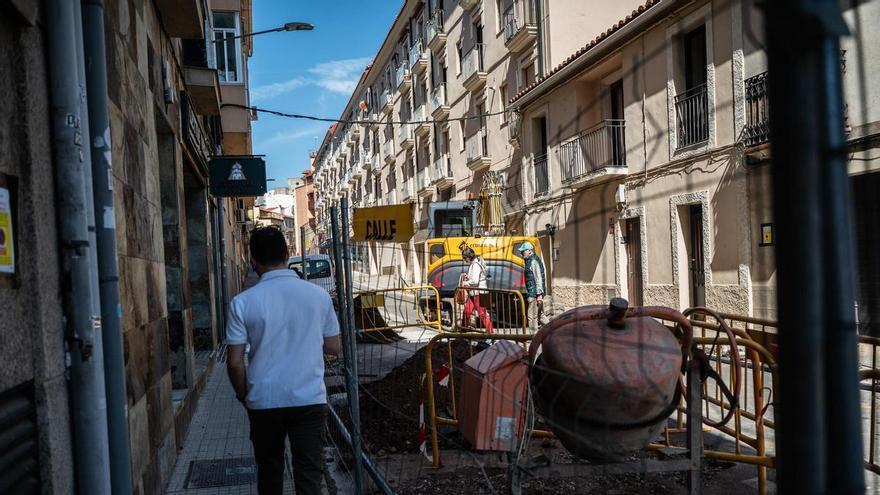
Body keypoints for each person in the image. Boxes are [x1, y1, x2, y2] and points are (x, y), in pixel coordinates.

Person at [226, 226, 342, 495]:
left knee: (269, 473)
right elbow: (334, 346)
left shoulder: (242, 303)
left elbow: (234, 363)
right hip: (309, 400)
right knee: (309, 475)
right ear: (287, 254)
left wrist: (244, 395)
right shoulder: (318, 296)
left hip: (264, 401)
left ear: (252, 260)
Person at [460, 247, 494, 333]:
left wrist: (466, 283)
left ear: (468, 257)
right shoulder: (477, 263)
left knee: (482, 314)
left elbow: (475, 281)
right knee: (467, 312)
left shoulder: (475, 265)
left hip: (478, 293)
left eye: (465, 258)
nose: (464, 260)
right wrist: (468, 277)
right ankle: (462, 332)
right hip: (479, 292)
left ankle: (491, 333)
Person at [518, 241, 550, 331]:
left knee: (532, 316)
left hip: (534, 293)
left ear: (529, 251)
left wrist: (539, 294)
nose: (521, 254)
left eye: (522, 251)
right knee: (540, 315)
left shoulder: (533, 261)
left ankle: (533, 337)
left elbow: (538, 278)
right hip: (534, 292)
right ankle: (554, 329)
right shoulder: (530, 260)